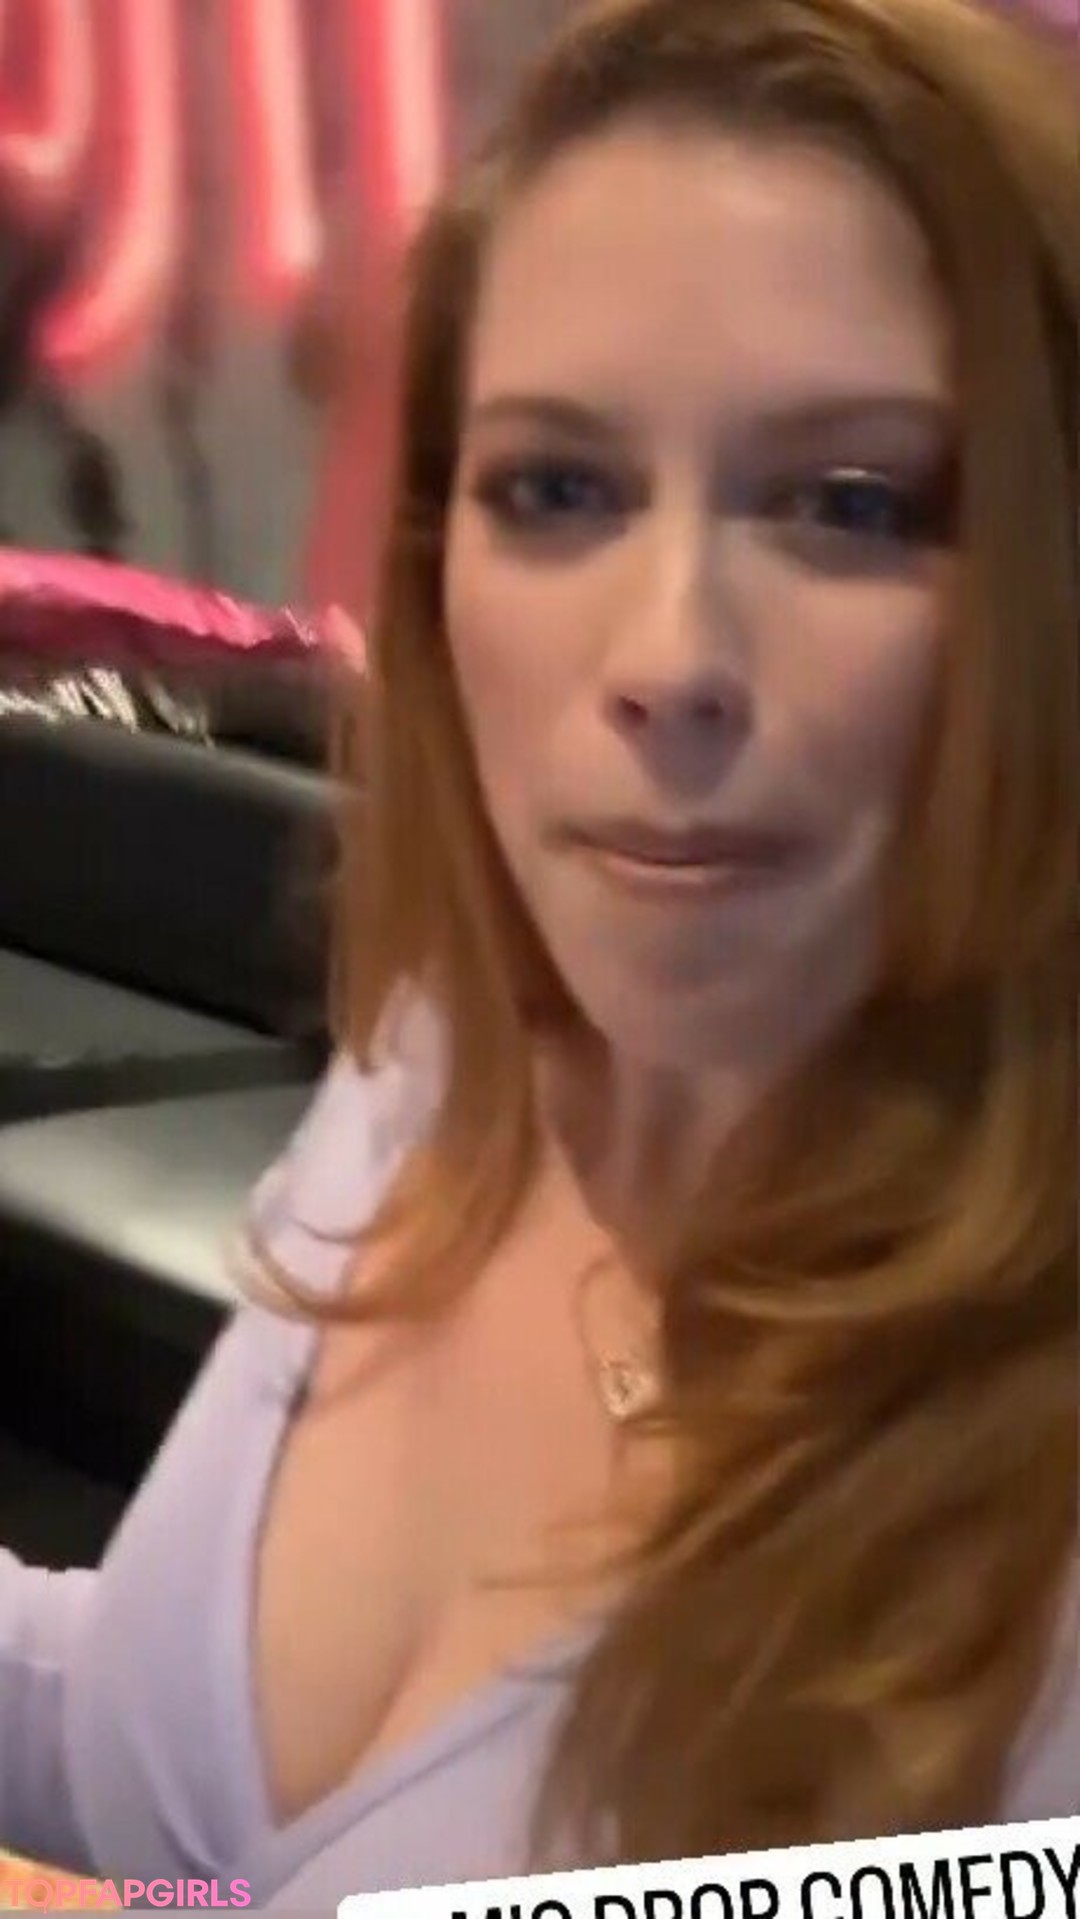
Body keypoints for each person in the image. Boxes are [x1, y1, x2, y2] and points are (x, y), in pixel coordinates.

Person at [1, 0, 1075, 1900]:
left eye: (849, 505)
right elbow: (174, 1774)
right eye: (557, 490)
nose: (668, 658)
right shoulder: (448, 1059)